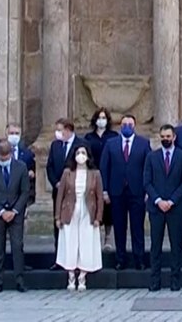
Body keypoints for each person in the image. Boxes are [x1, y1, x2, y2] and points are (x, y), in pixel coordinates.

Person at [99, 114, 150, 270]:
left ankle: (139, 259)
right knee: (119, 227)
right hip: (116, 192)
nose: (127, 126)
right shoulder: (111, 144)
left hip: (137, 191)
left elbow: (148, 168)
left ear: (134, 126)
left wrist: (147, 189)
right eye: (124, 124)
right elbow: (104, 167)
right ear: (120, 126)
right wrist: (105, 190)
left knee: (137, 227)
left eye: (130, 123)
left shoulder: (143, 143)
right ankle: (120, 259)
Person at [143, 125, 182, 291]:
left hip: (175, 208)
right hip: (156, 208)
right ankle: (155, 281)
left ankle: (175, 280)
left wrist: (171, 201)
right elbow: (147, 182)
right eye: (163, 136)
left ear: (174, 137)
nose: (165, 139)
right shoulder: (151, 157)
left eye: (168, 136)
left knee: (176, 246)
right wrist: (158, 200)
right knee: (155, 246)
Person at [54, 144, 103, 292]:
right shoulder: (67, 173)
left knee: (86, 243)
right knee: (70, 242)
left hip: (88, 212)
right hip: (70, 212)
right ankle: (70, 276)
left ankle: (82, 275)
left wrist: (98, 218)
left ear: (88, 156)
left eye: (83, 153)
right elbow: (60, 196)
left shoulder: (95, 174)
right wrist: (57, 217)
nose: (80, 155)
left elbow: (99, 197)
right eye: (78, 153)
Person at [0, 140, 31, 293]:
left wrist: (15, 210)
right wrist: (1, 212)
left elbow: (25, 192)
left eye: (6, 157)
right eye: (1, 157)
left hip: (16, 214)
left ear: (11, 153)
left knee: (17, 246)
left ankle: (20, 280)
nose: (3, 160)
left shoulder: (21, 167)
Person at [84, 108, 118, 250]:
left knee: (108, 207)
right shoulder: (89, 137)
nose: (101, 120)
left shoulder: (113, 136)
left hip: (109, 175)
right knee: (93, 205)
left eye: (104, 117)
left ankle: (108, 237)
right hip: (93, 173)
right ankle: (95, 236)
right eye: (99, 117)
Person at [47, 118, 78, 254]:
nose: (58, 133)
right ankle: (59, 256)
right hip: (58, 192)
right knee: (58, 223)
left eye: (60, 130)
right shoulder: (55, 145)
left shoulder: (81, 144)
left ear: (68, 130)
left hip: (75, 191)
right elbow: (50, 166)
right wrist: (55, 183)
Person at [5, 123, 36, 206]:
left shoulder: (27, 154)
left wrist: (31, 172)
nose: (14, 136)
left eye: (17, 133)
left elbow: (32, 170)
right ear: (6, 134)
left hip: (21, 194)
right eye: (11, 133)